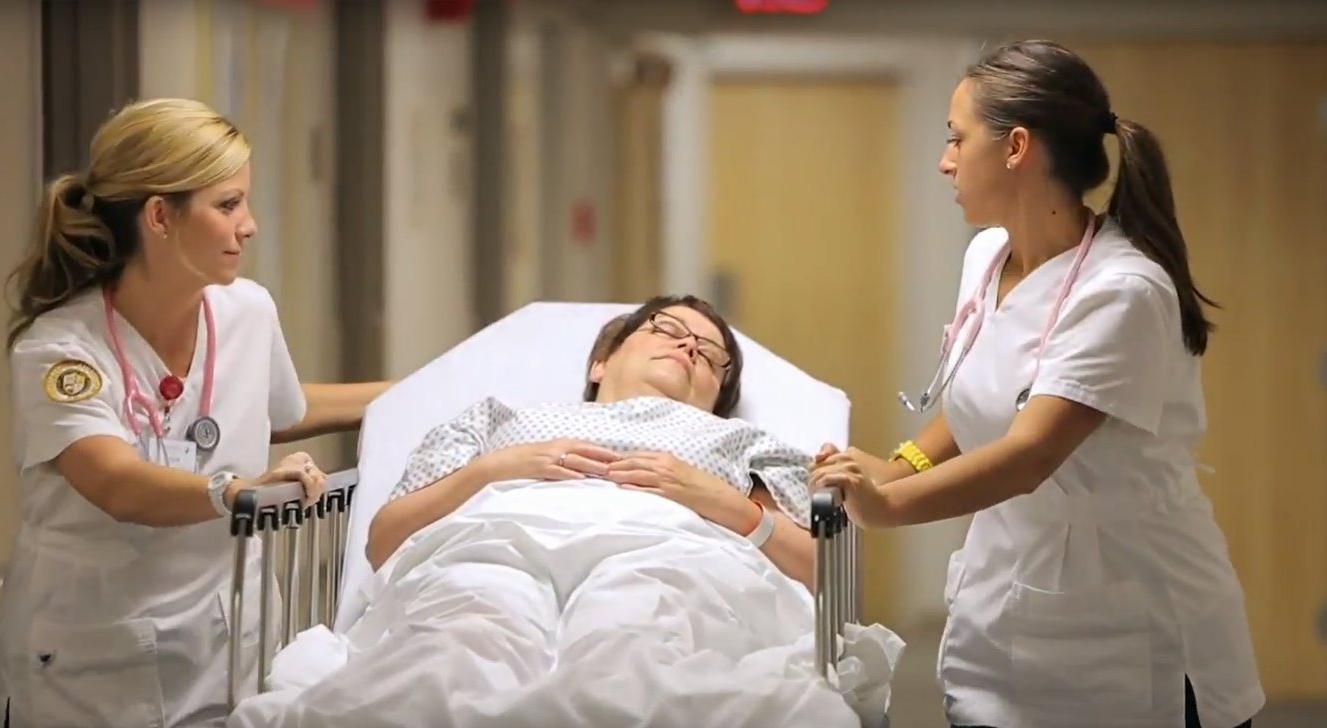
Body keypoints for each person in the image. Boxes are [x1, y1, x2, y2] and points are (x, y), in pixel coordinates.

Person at [809, 40, 1262, 728]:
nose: (945, 160)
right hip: (1005, 609)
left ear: (1016, 147)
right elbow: (978, 401)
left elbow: (1029, 455)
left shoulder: (1122, 290)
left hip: (1134, 634)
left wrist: (887, 509)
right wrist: (898, 467)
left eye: (957, 138)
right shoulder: (987, 255)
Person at [0, 98, 389, 726]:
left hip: (229, 633)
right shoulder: (59, 350)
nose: (250, 225)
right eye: (228, 204)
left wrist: (429, 389)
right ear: (160, 216)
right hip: (92, 661)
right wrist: (235, 491)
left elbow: (281, 409)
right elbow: (115, 482)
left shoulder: (247, 310)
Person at [367, 294, 814, 586]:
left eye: (711, 355)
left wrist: (727, 504)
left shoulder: (736, 442)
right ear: (600, 363)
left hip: (667, 571)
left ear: (715, 401)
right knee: (470, 629)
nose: (690, 348)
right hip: (495, 563)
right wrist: (492, 470)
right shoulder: (497, 420)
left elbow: (819, 573)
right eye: (667, 329)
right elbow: (382, 542)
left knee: (633, 634)